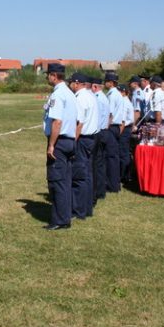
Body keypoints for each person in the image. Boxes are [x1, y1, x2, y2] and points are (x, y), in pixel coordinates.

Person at [42, 63, 77, 231]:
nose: (47, 77)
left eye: (48, 74)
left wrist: (51, 145)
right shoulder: (70, 93)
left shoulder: (58, 94)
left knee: (57, 181)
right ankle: (65, 215)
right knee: (66, 180)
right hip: (69, 141)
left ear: (54, 76)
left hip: (60, 142)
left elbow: (57, 122)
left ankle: (60, 220)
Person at [69, 73, 98, 220]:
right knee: (87, 174)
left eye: (71, 83)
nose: (70, 86)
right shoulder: (91, 96)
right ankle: (86, 207)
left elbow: (79, 123)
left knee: (79, 175)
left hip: (82, 139)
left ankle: (78, 210)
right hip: (91, 138)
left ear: (76, 83)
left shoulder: (80, 98)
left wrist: (73, 142)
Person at [103, 72, 124, 193]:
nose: (104, 83)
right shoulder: (117, 94)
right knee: (113, 156)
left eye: (106, 81)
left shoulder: (112, 95)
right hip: (116, 127)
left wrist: (106, 128)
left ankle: (112, 185)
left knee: (110, 156)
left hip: (111, 127)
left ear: (111, 83)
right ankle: (115, 183)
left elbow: (109, 114)